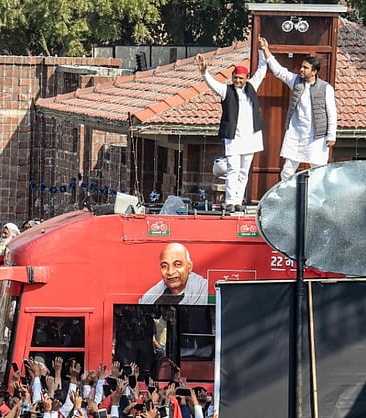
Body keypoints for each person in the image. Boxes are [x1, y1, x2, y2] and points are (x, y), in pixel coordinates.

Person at [197, 43, 268, 212]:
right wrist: (204, 72)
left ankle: (238, 200)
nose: (238, 81)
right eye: (235, 78)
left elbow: (262, 69)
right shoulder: (226, 90)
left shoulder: (252, 86)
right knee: (233, 170)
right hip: (233, 137)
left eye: (241, 78)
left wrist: (262, 50)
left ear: (246, 78)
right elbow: (212, 84)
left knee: (244, 171)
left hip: (251, 137)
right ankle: (229, 201)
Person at [260, 37, 338, 180]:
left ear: (314, 71)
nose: (301, 69)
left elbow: (331, 113)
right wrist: (266, 50)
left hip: (317, 135)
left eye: (305, 68)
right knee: (287, 171)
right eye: (302, 67)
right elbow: (279, 72)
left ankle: (316, 194)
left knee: (318, 170)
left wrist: (331, 135)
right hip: (296, 133)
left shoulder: (326, 88)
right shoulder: (296, 81)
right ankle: (287, 193)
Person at [139, 242, 209, 305]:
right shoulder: (150, 296)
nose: (170, 272)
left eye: (177, 264)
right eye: (164, 266)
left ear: (189, 266)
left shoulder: (205, 289)